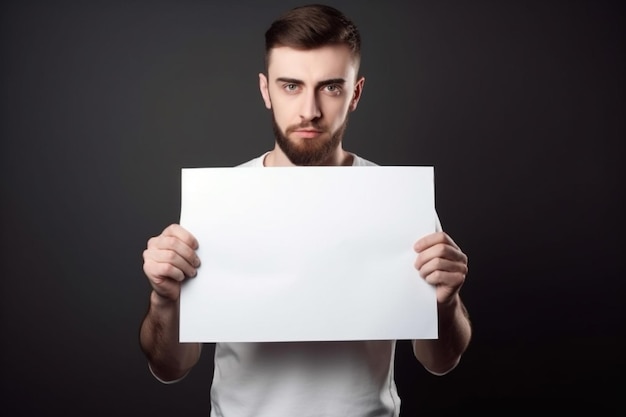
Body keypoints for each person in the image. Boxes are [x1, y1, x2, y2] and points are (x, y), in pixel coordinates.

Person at [140, 4, 471, 416]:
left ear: (356, 93)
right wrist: (163, 302)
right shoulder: (221, 202)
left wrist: (447, 301)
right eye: (291, 86)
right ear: (266, 90)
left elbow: (440, 362)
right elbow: (170, 367)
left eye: (331, 87)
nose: (309, 110)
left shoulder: (396, 200)